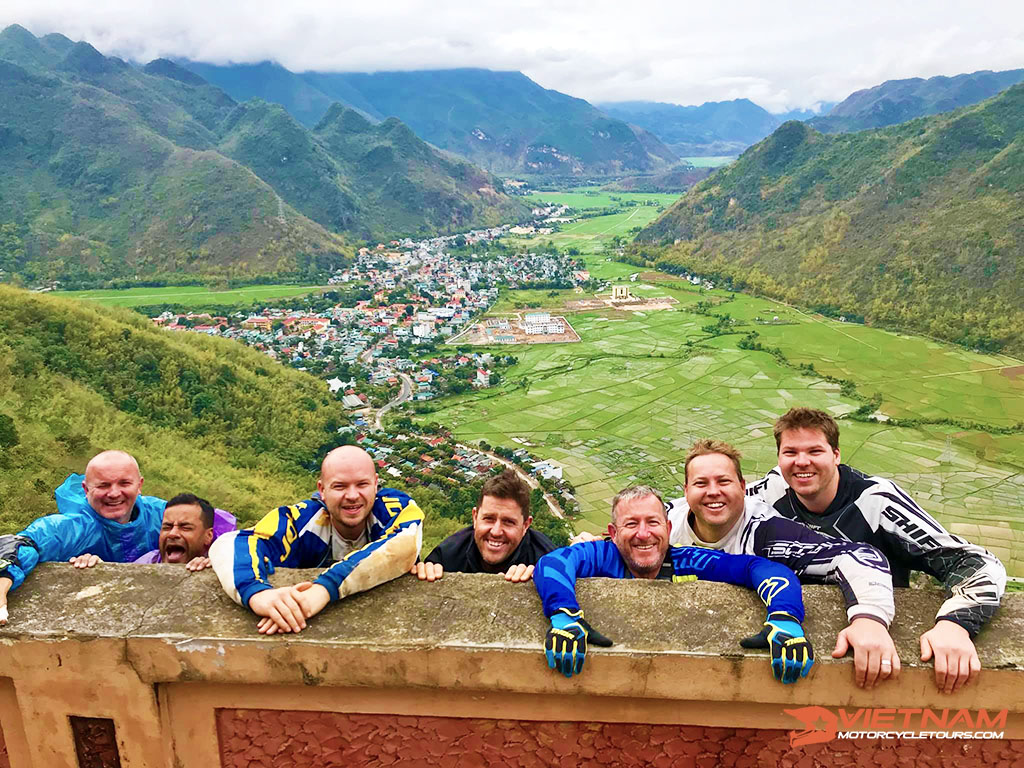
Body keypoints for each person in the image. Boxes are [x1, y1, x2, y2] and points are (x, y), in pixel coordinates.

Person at [746, 407, 1007, 694]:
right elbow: (706, 512)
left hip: (877, 650)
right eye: (790, 452)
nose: (802, 462)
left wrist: (955, 624)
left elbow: (977, 563)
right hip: (796, 642)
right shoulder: (770, 492)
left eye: (815, 451)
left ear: (836, 455)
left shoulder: (877, 502)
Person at [667, 439, 897, 690]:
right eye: (701, 483)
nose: (713, 491)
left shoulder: (768, 533)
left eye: (724, 481)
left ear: (743, 487)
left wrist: (869, 620)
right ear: (686, 490)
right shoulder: (664, 522)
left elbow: (862, 557)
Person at [534, 485, 814, 683]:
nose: (643, 534)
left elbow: (761, 568)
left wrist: (785, 618)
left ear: (668, 529)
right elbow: (553, 563)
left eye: (652, 523)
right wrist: (565, 615)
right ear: (613, 533)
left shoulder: (686, 559)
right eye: (631, 524)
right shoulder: (601, 554)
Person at [209, 445, 423, 635]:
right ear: (322, 490)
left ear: (376, 484)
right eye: (339, 486)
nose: (352, 495)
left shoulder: (395, 509)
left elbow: (403, 542)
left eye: (362, 484)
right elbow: (235, 542)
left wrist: (323, 590)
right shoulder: (303, 520)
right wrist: (258, 593)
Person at [0, 450, 165, 624]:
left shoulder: (161, 514)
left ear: (139, 485)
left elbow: (195, 528)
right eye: (103, 485)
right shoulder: (73, 527)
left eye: (124, 483)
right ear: (86, 489)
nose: (114, 493)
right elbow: (19, 544)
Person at [412, 469, 555, 583]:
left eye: (508, 522)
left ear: (525, 525)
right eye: (489, 519)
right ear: (475, 517)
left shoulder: (547, 560)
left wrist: (537, 583)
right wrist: (425, 572)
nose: (496, 531)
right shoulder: (447, 556)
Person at [134, 493, 236, 571]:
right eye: (167, 527)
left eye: (185, 527)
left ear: (208, 536)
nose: (172, 533)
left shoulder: (222, 565)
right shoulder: (145, 563)